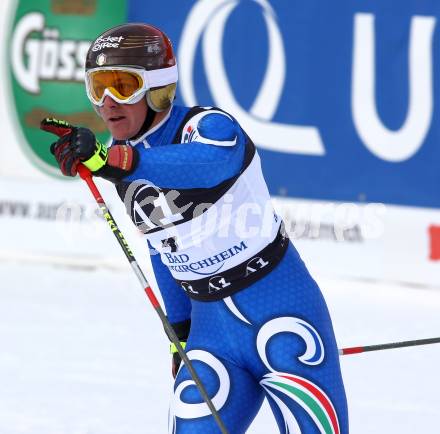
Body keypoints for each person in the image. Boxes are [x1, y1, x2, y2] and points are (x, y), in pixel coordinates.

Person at [41, 23, 348, 434]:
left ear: (158, 87)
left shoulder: (207, 127)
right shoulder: (127, 161)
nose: (108, 102)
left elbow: (209, 163)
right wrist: (180, 330)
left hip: (282, 310)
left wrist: (115, 162)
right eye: (97, 88)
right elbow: (162, 248)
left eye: (123, 85)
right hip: (211, 333)